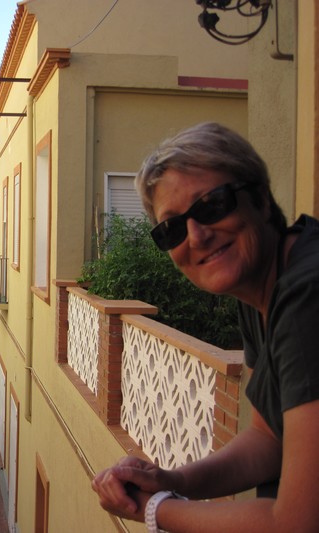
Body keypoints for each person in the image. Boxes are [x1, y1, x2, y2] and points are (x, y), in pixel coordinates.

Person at [91, 122, 319, 531]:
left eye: (213, 205)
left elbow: (295, 524)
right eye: (172, 228)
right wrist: (171, 481)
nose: (196, 236)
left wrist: (154, 509)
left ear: (260, 198)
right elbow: (269, 438)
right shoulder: (262, 288)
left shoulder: (307, 297)